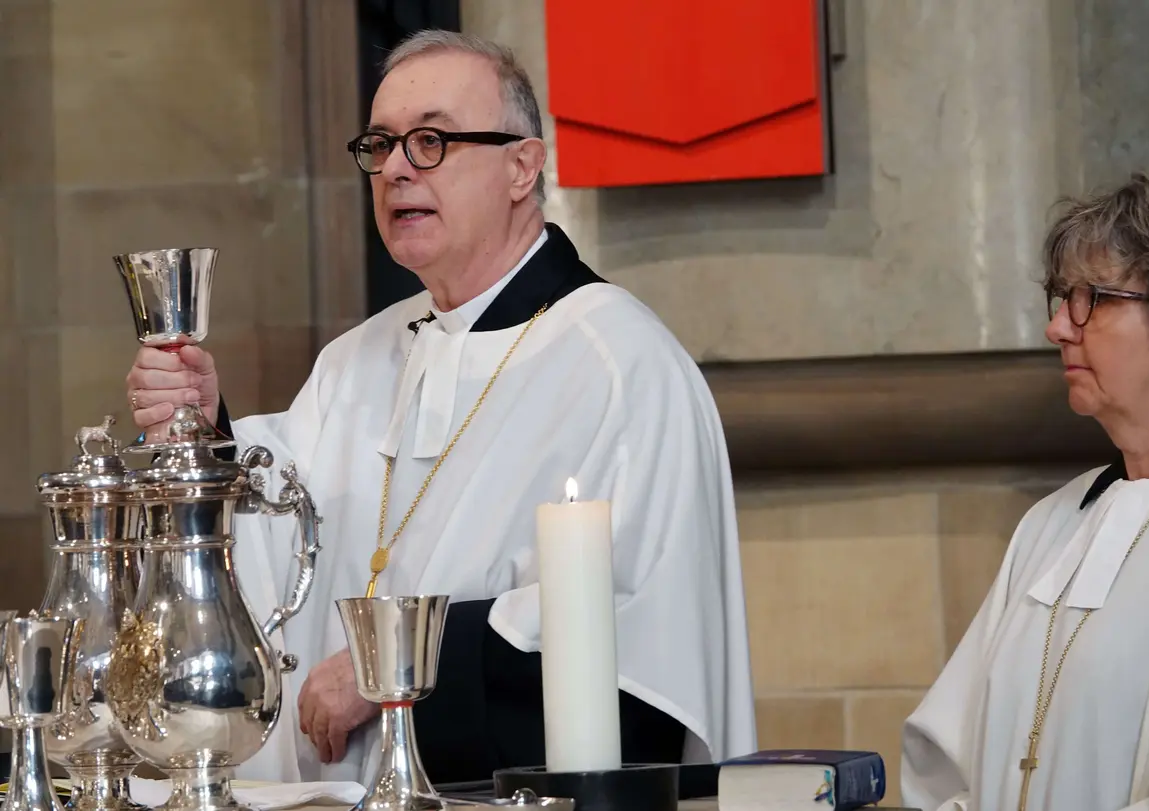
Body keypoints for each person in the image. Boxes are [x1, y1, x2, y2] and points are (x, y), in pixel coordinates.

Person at [123, 29, 756, 785]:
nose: (395, 168)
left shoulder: (620, 367)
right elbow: (277, 552)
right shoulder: (355, 362)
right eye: (381, 144)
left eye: (430, 141)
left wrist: (392, 666)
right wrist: (202, 432)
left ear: (523, 167)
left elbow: (636, 648)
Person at [900, 171, 1149, 811]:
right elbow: (951, 767)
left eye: (1093, 299)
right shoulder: (1054, 523)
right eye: (1060, 297)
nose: (1058, 327)